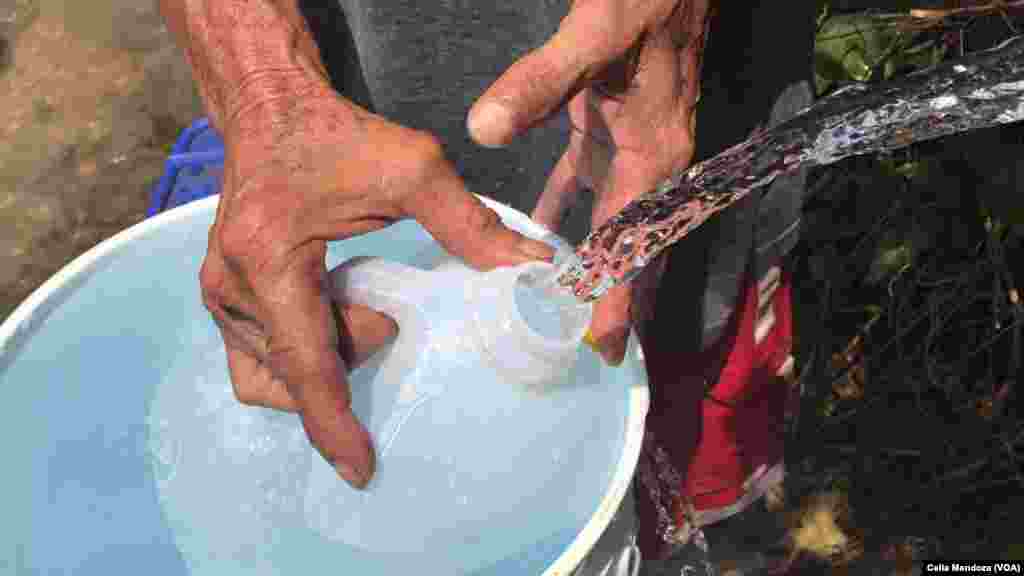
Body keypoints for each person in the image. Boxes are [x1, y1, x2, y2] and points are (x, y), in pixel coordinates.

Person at [157, 0, 815, 573]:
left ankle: (721, 533)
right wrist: (264, 84)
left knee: (687, 406)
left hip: (680, 104)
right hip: (341, 128)